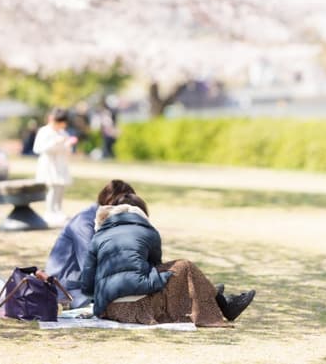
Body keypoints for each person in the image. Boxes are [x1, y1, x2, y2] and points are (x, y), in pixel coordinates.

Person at [81, 193, 256, 327]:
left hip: (109, 310)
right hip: (137, 308)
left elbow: (87, 286)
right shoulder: (149, 232)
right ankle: (221, 302)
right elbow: (157, 268)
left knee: (168, 275)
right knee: (184, 266)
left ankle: (212, 294)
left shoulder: (98, 237)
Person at [45, 179, 136, 308]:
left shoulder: (107, 220)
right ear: (110, 203)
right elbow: (90, 265)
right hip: (67, 289)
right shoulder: (84, 223)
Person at [33, 107, 78, 226]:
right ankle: (50, 212)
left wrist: (68, 145)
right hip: (49, 165)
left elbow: (66, 150)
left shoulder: (63, 133)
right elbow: (38, 148)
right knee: (52, 189)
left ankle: (58, 211)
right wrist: (55, 142)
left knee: (60, 188)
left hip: (60, 164)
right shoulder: (44, 131)